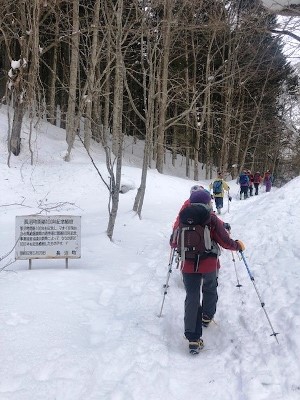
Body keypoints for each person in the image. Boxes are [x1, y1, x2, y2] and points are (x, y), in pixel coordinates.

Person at [171, 189, 245, 354]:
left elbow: (173, 242)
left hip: (188, 265)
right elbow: (224, 241)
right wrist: (237, 245)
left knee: (192, 296)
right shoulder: (211, 218)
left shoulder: (184, 216)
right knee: (210, 287)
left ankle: (193, 338)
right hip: (209, 263)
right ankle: (207, 316)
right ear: (207, 203)